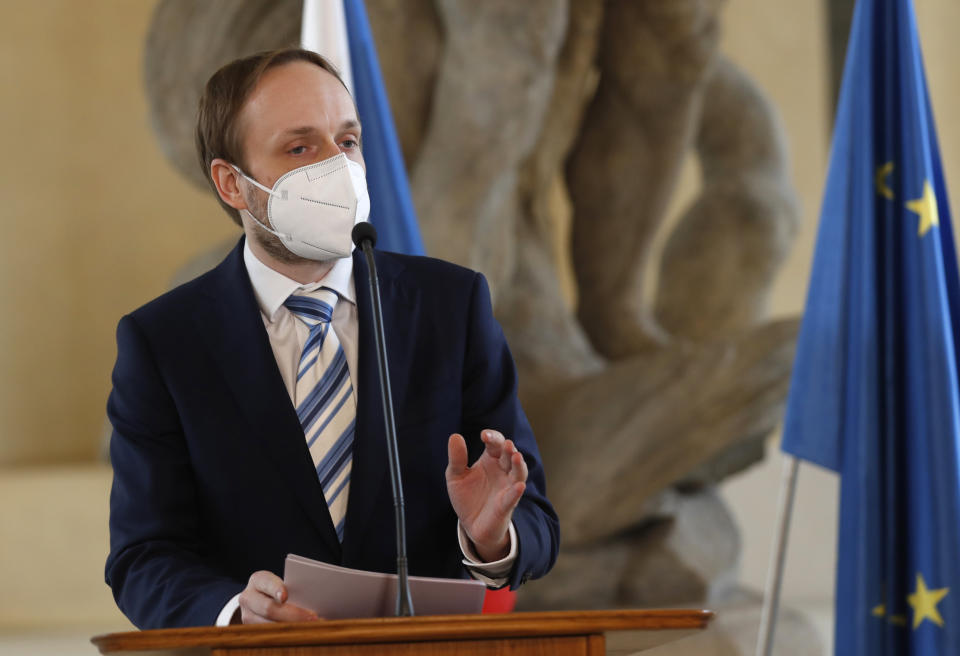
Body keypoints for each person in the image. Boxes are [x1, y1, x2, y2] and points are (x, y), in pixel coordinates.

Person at [104, 48, 559, 629]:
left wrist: (492, 537)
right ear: (231, 183)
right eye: (300, 148)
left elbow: (539, 522)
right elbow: (143, 557)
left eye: (347, 141)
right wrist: (236, 612)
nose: (337, 168)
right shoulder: (164, 343)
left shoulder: (451, 307)